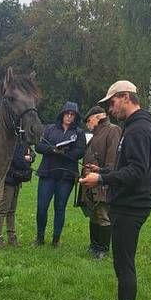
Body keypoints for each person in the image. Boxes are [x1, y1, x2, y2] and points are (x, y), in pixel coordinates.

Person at [79, 80, 151, 300]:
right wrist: (101, 170)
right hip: (127, 204)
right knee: (120, 263)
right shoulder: (134, 127)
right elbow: (128, 167)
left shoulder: (138, 130)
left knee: (124, 265)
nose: (109, 109)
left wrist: (101, 179)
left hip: (131, 207)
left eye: (111, 102)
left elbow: (136, 172)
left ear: (126, 97)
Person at [34, 101, 87, 247]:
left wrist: (65, 153)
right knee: (42, 206)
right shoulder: (49, 129)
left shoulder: (79, 133)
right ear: (62, 114)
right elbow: (39, 146)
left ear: (75, 117)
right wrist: (52, 150)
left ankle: (56, 240)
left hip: (67, 175)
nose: (69, 117)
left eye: (72, 115)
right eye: (67, 113)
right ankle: (39, 237)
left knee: (60, 207)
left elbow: (80, 151)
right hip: (48, 172)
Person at [78, 105, 121, 259]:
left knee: (103, 214)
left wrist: (103, 173)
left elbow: (112, 160)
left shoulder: (112, 130)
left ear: (98, 117)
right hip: (90, 180)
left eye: (89, 121)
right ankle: (94, 245)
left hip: (104, 181)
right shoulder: (96, 133)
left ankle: (103, 248)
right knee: (93, 214)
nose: (88, 125)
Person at [0, 138, 35, 247]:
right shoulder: (9, 142)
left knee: (11, 210)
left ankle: (12, 237)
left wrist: (29, 157)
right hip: (8, 179)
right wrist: (24, 158)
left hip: (17, 179)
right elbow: (14, 159)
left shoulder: (23, 142)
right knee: (2, 210)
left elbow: (33, 154)